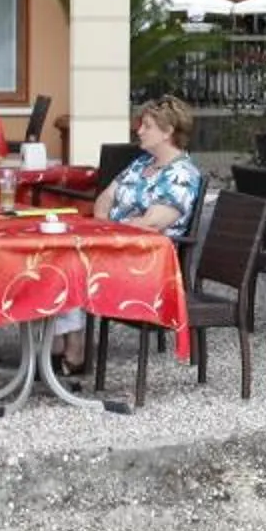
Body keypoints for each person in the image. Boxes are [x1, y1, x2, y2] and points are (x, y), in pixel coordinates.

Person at [59, 97, 205, 370]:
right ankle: (55, 347)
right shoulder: (141, 164)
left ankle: (72, 350)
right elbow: (103, 199)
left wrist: (111, 225)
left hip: (148, 263)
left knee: (68, 265)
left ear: (168, 131)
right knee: (56, 257)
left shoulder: (183, 175)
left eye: (146, 126)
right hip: (118, 247)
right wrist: (115, 224)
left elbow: (151, 224)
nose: (139, 131)